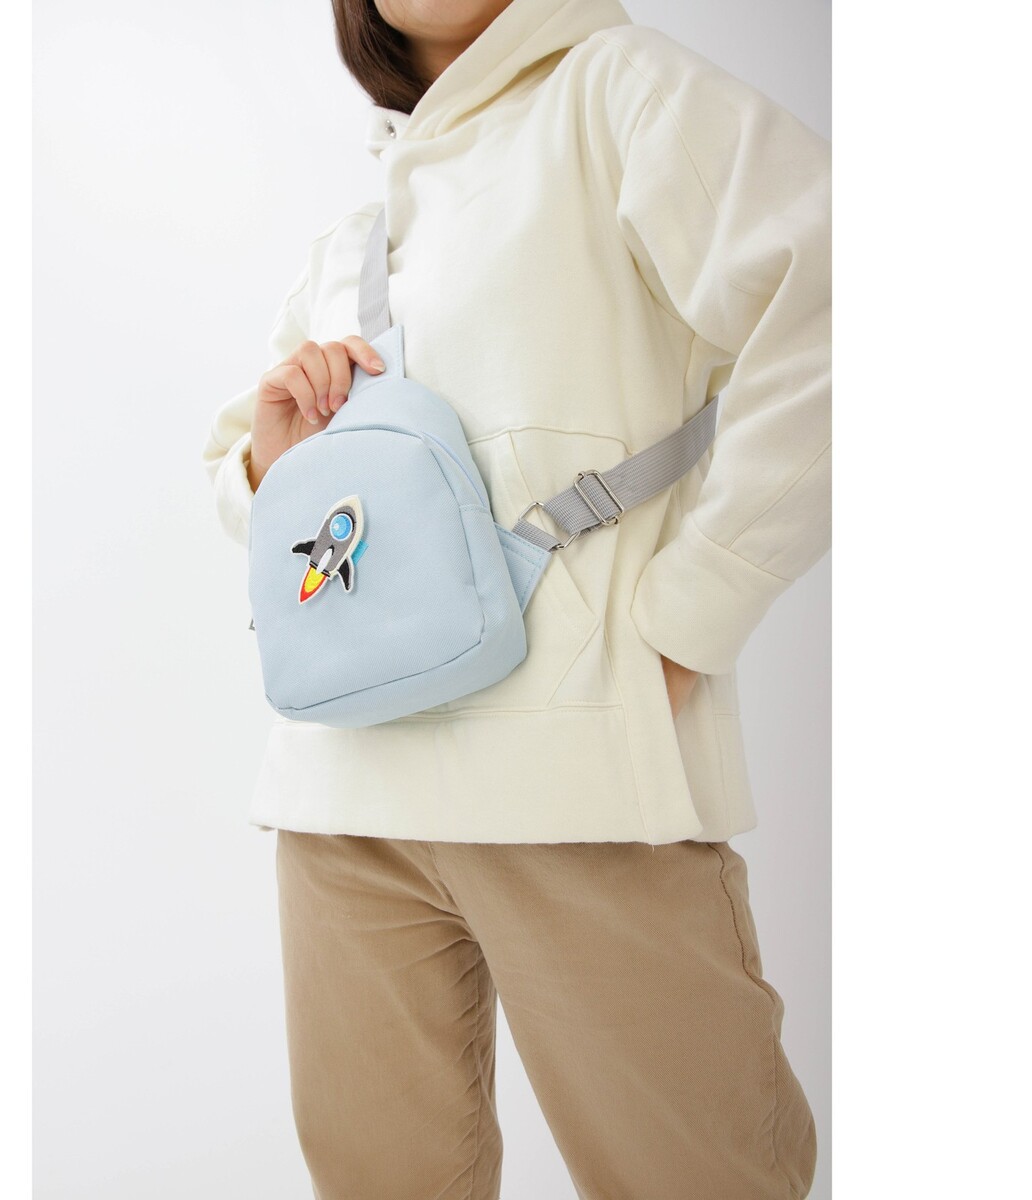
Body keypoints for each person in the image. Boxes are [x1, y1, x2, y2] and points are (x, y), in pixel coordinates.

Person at [202, 1, 830, 1196]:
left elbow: (841, 308)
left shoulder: (619, 90)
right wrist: (273, 464)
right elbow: (239, 483)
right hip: (342, 797)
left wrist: (693, 615)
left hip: (579, 782)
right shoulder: (359, 226)